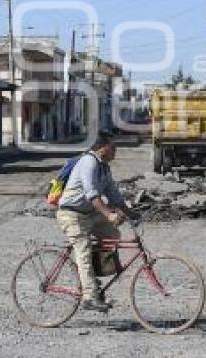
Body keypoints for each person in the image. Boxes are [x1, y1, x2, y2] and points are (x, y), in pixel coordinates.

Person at [56, 133, 135, 312]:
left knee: (113, 235)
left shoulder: (104, 167)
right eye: (113, 147)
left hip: (89, 214)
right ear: (101, 147)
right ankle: (89, 297)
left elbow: (114, 195)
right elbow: (92, 195)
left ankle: (91, 276)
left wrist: (132, 214)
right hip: (72, 214)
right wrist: (109, 214)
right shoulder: (88, 162)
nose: (116, 151)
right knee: (83, 251)